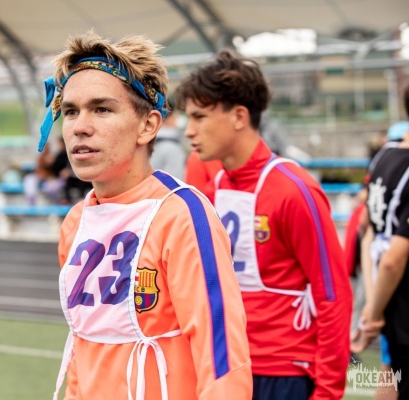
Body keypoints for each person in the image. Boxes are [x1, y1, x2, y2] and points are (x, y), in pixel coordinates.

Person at [39, 31, 252, 400]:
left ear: (148, 125)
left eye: (102, 109)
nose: (79, 126)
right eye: (70, 111)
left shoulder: (182, 216)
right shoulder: (76, 221)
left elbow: (222, 360)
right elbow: (82, 345)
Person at [175, 49, 352, 400]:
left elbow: (333, 294)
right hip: (227, 368)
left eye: (199, 117)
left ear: (239, 116)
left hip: (283, 373)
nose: (189, 131)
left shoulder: (294, 190)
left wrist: (328, 391)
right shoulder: (213, 189)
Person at [352, 85, 409, 398]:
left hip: (387, 296)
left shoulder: (384, 156)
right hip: (400, 302)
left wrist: (374, 307)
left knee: (390, 373)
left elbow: (368, 229)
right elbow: (393, 258)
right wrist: (373, 314)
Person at [149, 105, 186, 179]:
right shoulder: (173, 148)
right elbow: (175, 181)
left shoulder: (144, 142)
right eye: (176, 118)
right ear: (168, 119)